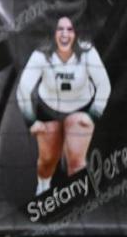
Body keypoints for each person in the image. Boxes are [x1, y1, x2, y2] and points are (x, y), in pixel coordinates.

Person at [15, 15, 109, 194]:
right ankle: (43, 187)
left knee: (76, 161)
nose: (65, 34)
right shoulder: (41, 54)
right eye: (60, 29)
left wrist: (94, 113)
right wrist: (31, 121)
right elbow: (23, 89)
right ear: (53, 33)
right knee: (48, 159)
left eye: (69, 29)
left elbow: (104, 84)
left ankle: (76, 198)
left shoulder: (87, 51)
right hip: (49, 110)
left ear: (76, 33)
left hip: (79, 109)